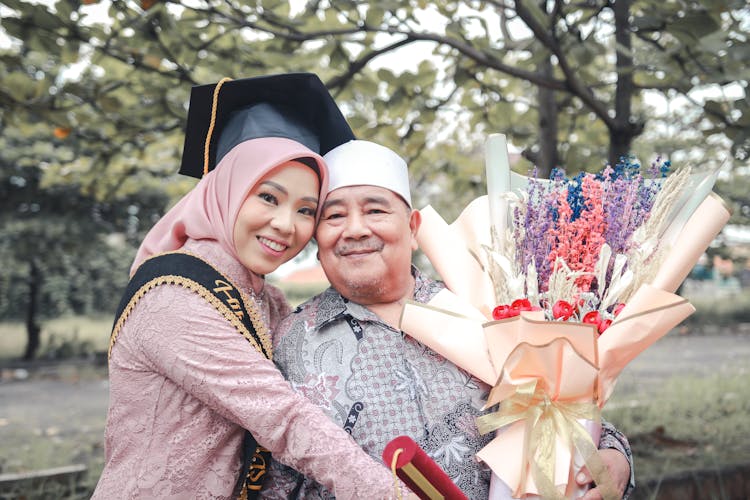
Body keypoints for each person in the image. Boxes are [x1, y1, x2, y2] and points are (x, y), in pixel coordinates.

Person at [263, 140, 635, 499]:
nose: (356, 229)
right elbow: (274, 479)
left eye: (375, 210)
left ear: (412, 228)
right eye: (334, 216)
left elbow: (566, 405)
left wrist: (617, 458)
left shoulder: (487, 305)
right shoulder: (289, 342)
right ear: (316, 235)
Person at [92, 75, 407, 499]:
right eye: (267, 198)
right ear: (227, 191)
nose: (284, 225)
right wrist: (395, 493)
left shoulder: (267, 299)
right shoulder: (172, 295)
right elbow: (282, 417)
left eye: (306, 210)